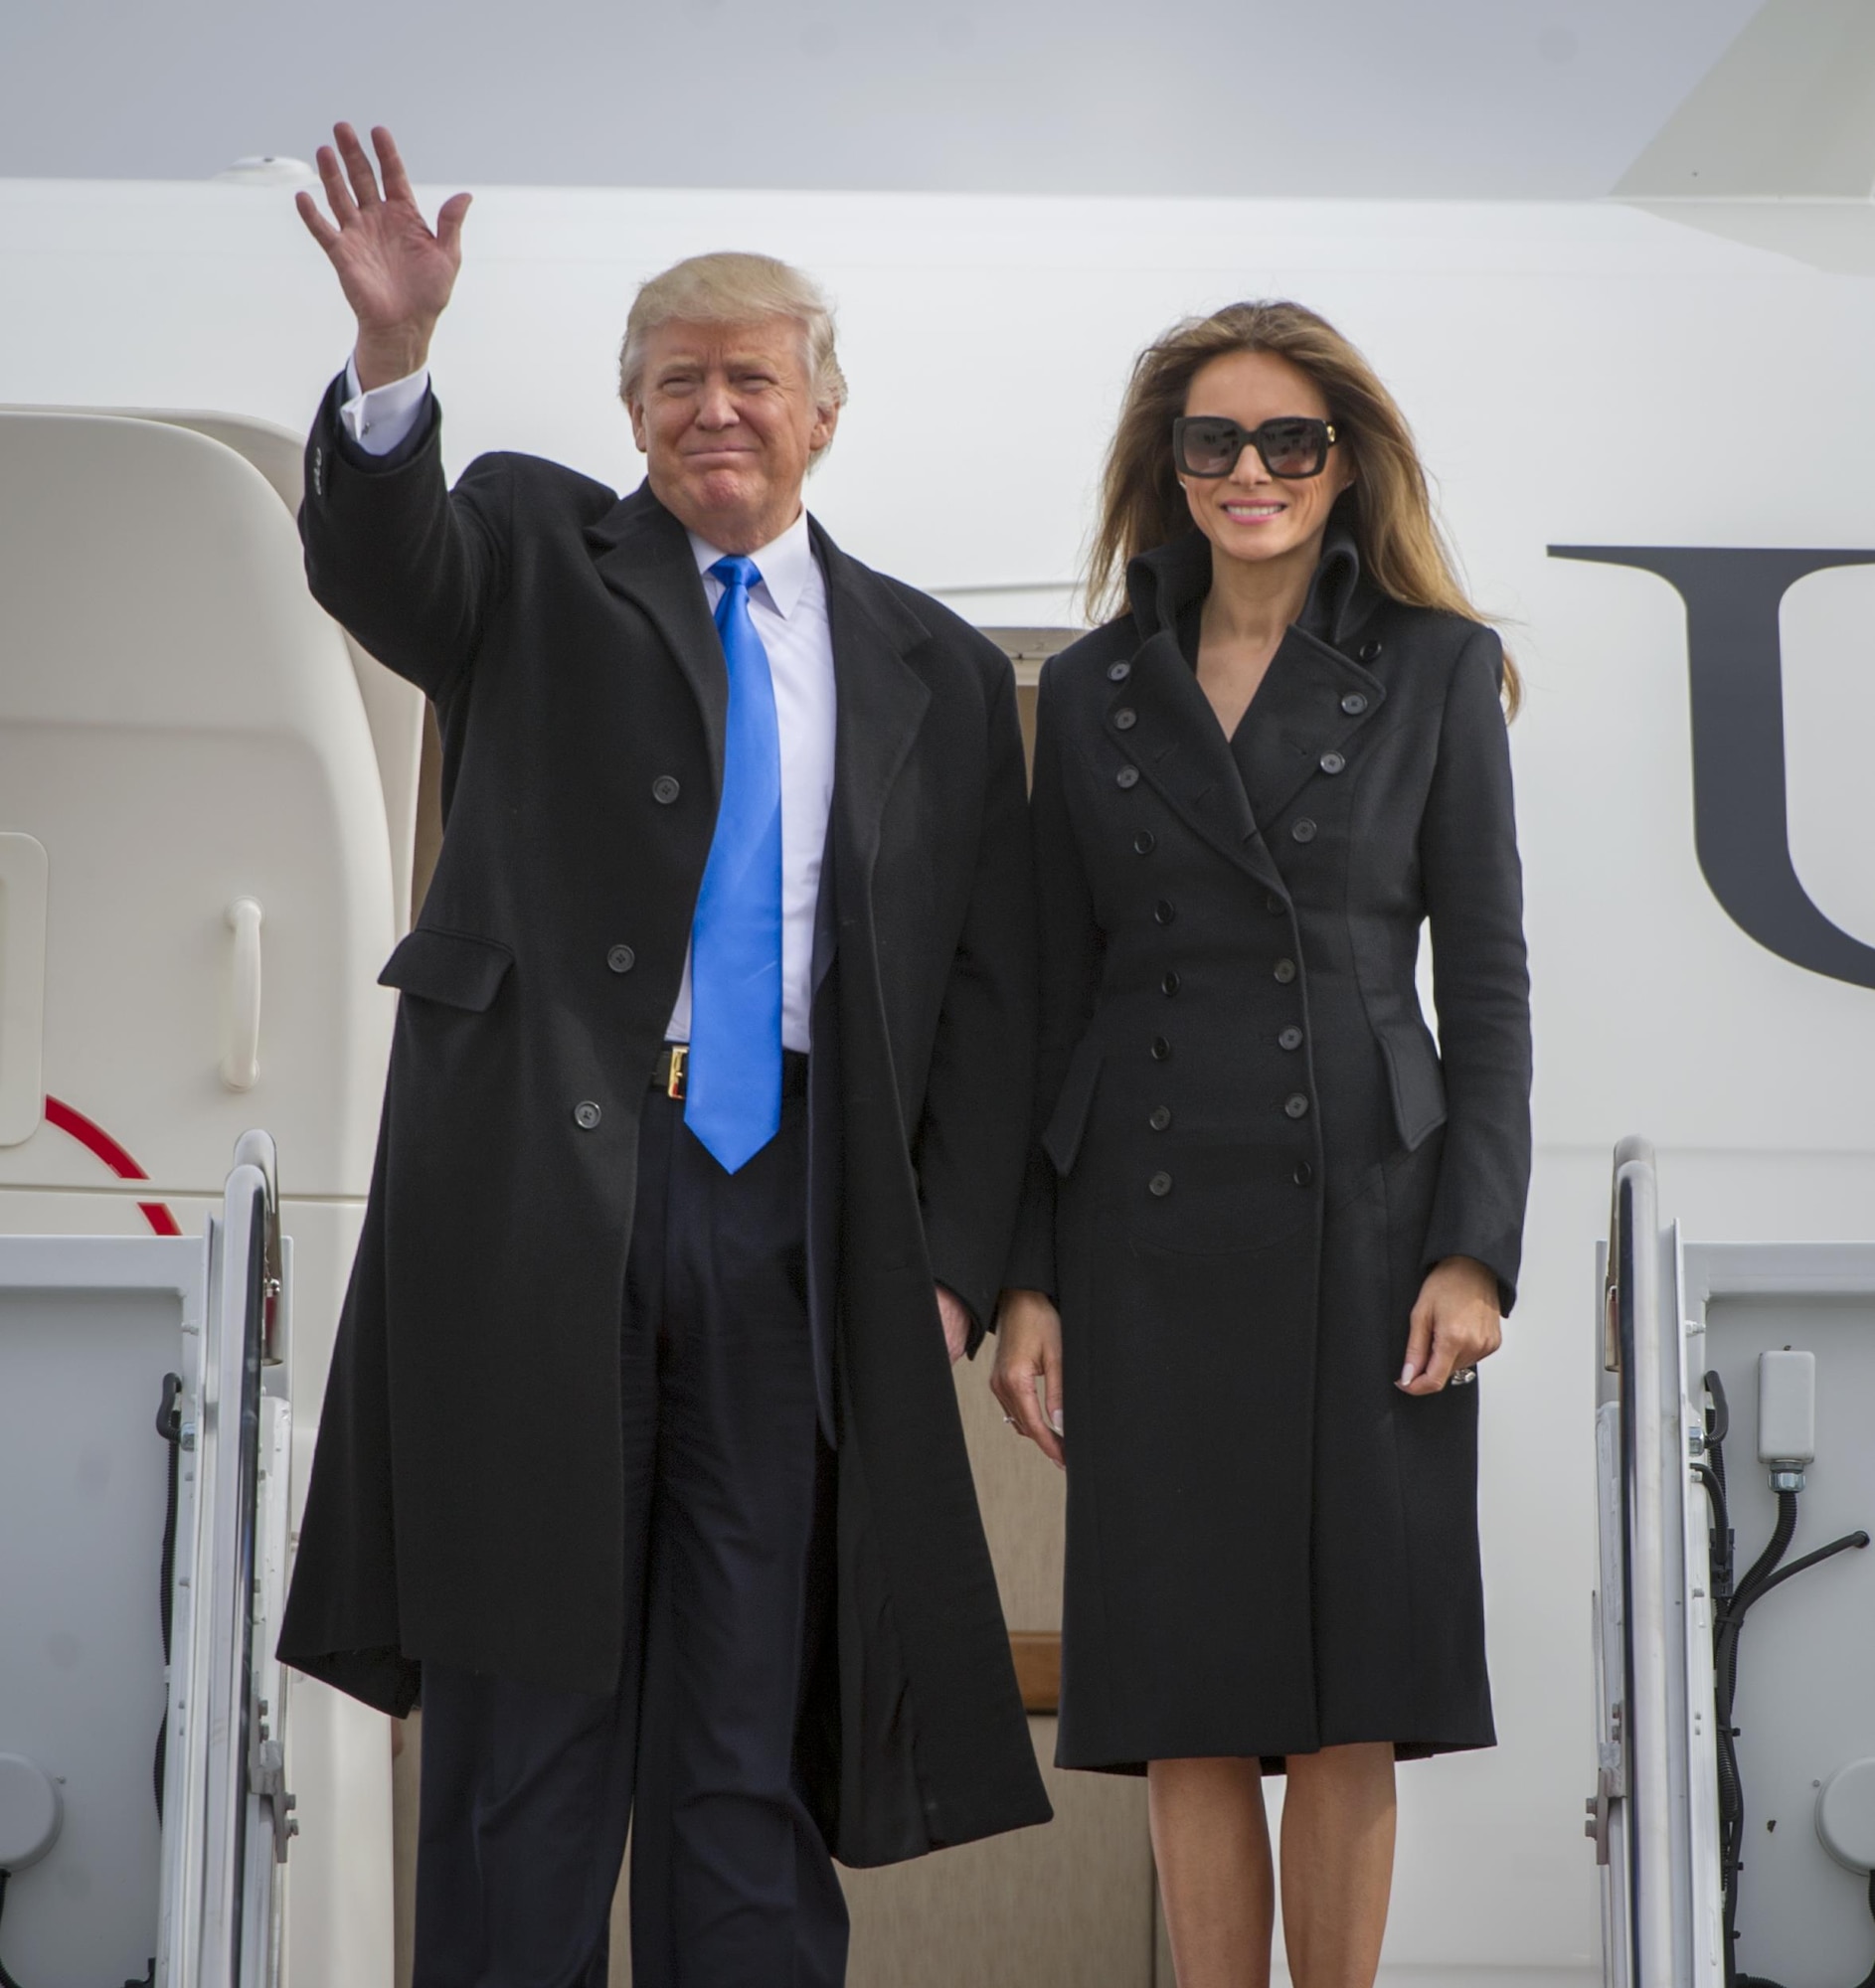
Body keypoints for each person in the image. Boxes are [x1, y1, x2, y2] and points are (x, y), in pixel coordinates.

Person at [276, 124, 1049, 1987]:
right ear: (629, 409)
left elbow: (989, 997)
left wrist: (948, 1266)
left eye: (752, 379)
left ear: (822, 417)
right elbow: (387, 574)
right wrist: (393, 366)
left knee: (747, 1713)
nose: (717, 409)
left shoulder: (933, 668)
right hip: (552, 1204)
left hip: (796, 1225)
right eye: (678, 380)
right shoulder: (534, 550)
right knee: (524, 1720)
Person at [992, 299, 1532, 1988]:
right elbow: (1047, 999)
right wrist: (1029, 1282)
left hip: (1370, 1225)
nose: (1249, 473)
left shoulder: (1436, 663)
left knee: (1352, 1693)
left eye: (1287, 442)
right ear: (1169, 465)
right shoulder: (1087, 693)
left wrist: (1473, 1243)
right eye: (1213, 441)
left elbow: (1490, 976)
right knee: (1185, 1704)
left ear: (1339, 463)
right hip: (1144, 1237)